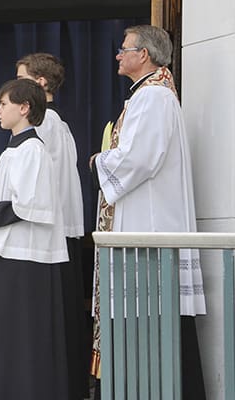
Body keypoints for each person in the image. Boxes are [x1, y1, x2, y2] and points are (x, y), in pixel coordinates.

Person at [89, 25, 206, 399]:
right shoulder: (150, 94)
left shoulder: (154, 97)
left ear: (146, 55)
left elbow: (140, 158)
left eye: (125, 49)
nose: (119, 55)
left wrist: (97, 163)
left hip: (150, 222)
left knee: (151, 317)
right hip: (148, 216)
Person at [0, 78, 69, 400]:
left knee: (19, 335)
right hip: (7, 253)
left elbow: (31, 204)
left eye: (3, 104)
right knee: (2, 332)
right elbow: (18, 192)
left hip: (25, 257)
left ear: (24, 108)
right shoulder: (15, 147)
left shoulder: (32, 149)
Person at [15, 53, 87, 400]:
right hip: (62, 230)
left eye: (21, 79)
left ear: (40, 84)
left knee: (51, 319)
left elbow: (37, 181)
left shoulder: (45, 124)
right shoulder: (57, 122)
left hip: (50, 234)